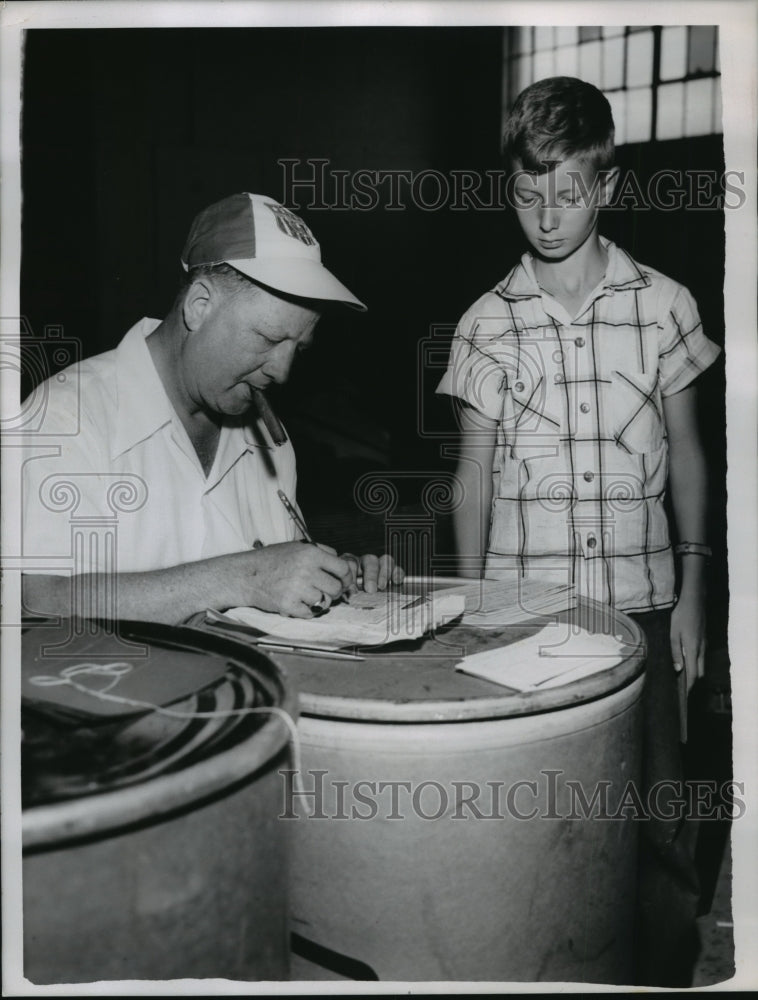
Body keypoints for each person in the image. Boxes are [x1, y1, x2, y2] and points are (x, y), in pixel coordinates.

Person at [436, 77, 721, 986]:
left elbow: (686, 452)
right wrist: (472, 601)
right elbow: (471, 473)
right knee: (541, 830)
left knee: (659, 825)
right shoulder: (487, 324)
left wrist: (693, 592)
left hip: (640, 611)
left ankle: (666, 970)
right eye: (528, 195)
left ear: (606, 184)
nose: (547, 215)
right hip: (528, 620)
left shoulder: (665, 306)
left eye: (568, 193)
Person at [21, 192, 403, 625]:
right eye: (267, 338)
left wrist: (332, 579)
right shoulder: (65, 417)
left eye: (299, 348)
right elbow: (34, 599)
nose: (283, 371)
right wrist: (242, 577)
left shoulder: (271, 444)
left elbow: (275, 581)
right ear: (199, 306)